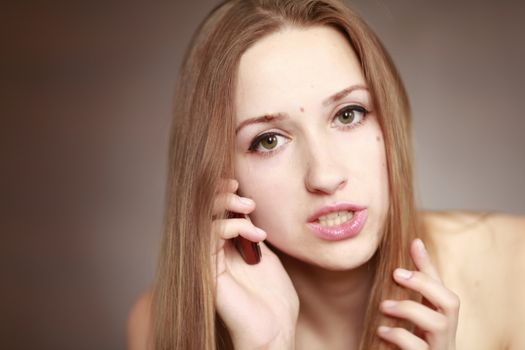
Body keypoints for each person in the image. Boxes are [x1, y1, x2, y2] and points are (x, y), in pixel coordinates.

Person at [127, 0, 525, 349]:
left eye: (348, 114)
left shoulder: (512, 265)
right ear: (218, 171)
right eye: (268, 141)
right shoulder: (159, 322)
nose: (325, 175)